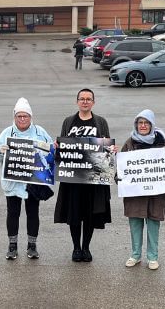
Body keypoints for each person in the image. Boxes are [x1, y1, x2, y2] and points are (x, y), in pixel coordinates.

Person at [54, 88, 113, 262]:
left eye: (88, 99)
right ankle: (76, 248)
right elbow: (63, 145)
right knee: (74, 214)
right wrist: (58, 147)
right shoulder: (68, 122)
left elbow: (106, 146)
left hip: (93, 178)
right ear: (77, 101)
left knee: (89, 214)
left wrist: (112, 149)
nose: (85, 101)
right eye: (82, 99)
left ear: (93, 102)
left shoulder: (101, 122)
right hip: (72, 179)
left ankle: (86, 247)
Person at [0, 98, 53, 260]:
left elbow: (52, 151)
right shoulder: (7, 133)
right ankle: (12, 245)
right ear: (14, 117)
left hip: (33, 182)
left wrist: (50, 150)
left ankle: (32, 245)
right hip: (13, 182)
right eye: (19, 116)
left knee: (33, 213)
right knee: (13, 213)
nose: (22, 119)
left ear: (31, 117)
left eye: (25, 116)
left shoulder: (40, 132)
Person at [120, 109, 165, 270]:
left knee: (153, 223)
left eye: (146, 123)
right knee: (135, 222)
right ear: (136, 125)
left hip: (156, 192)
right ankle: (135, 254)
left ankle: (152, 257)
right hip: (134, 192)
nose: (143, 126)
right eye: (140, 123)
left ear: (152, 124)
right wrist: (118, 176)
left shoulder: (162, 141)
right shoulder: (130, 142)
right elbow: (122, 165)